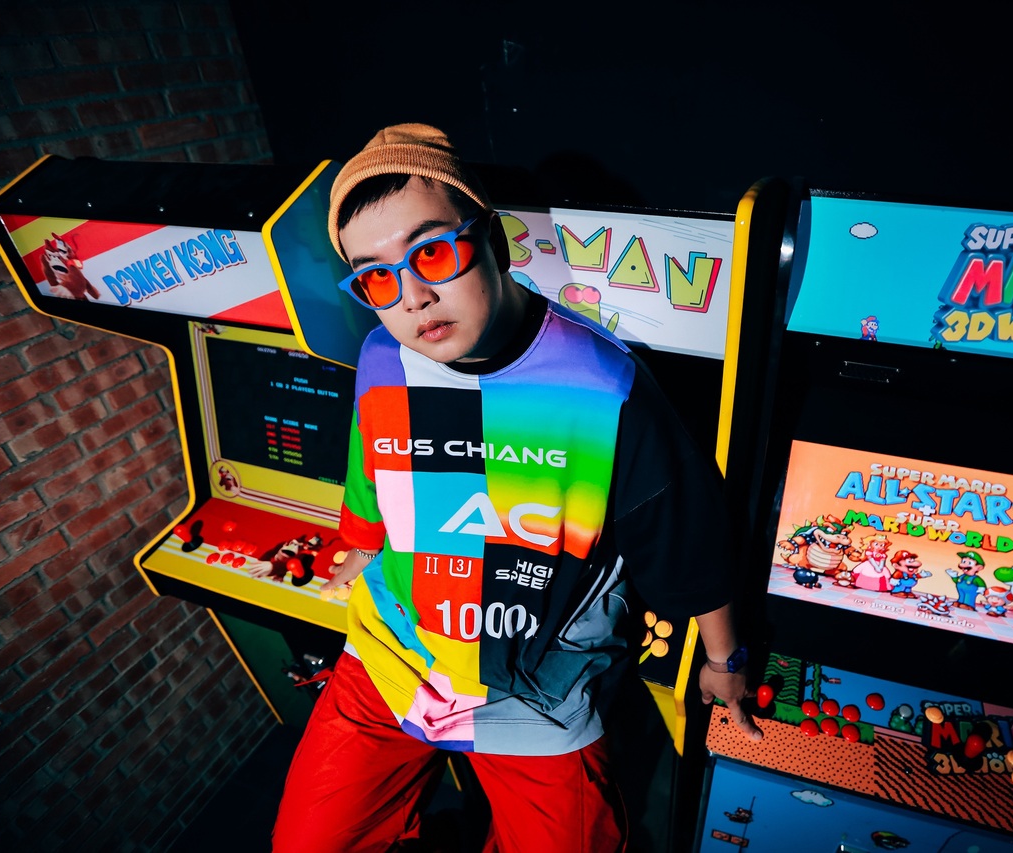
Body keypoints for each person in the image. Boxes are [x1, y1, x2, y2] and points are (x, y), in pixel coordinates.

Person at [271, 123, 762, 853]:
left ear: (494, 240)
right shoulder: (380, 357)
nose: (412, 297)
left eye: (431, 253)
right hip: (392, 660)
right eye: (376, 277)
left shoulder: (602, 384)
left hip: (536, 695)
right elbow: (372, 475)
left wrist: (723, 662)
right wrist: (361, 546)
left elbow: (685, 542)